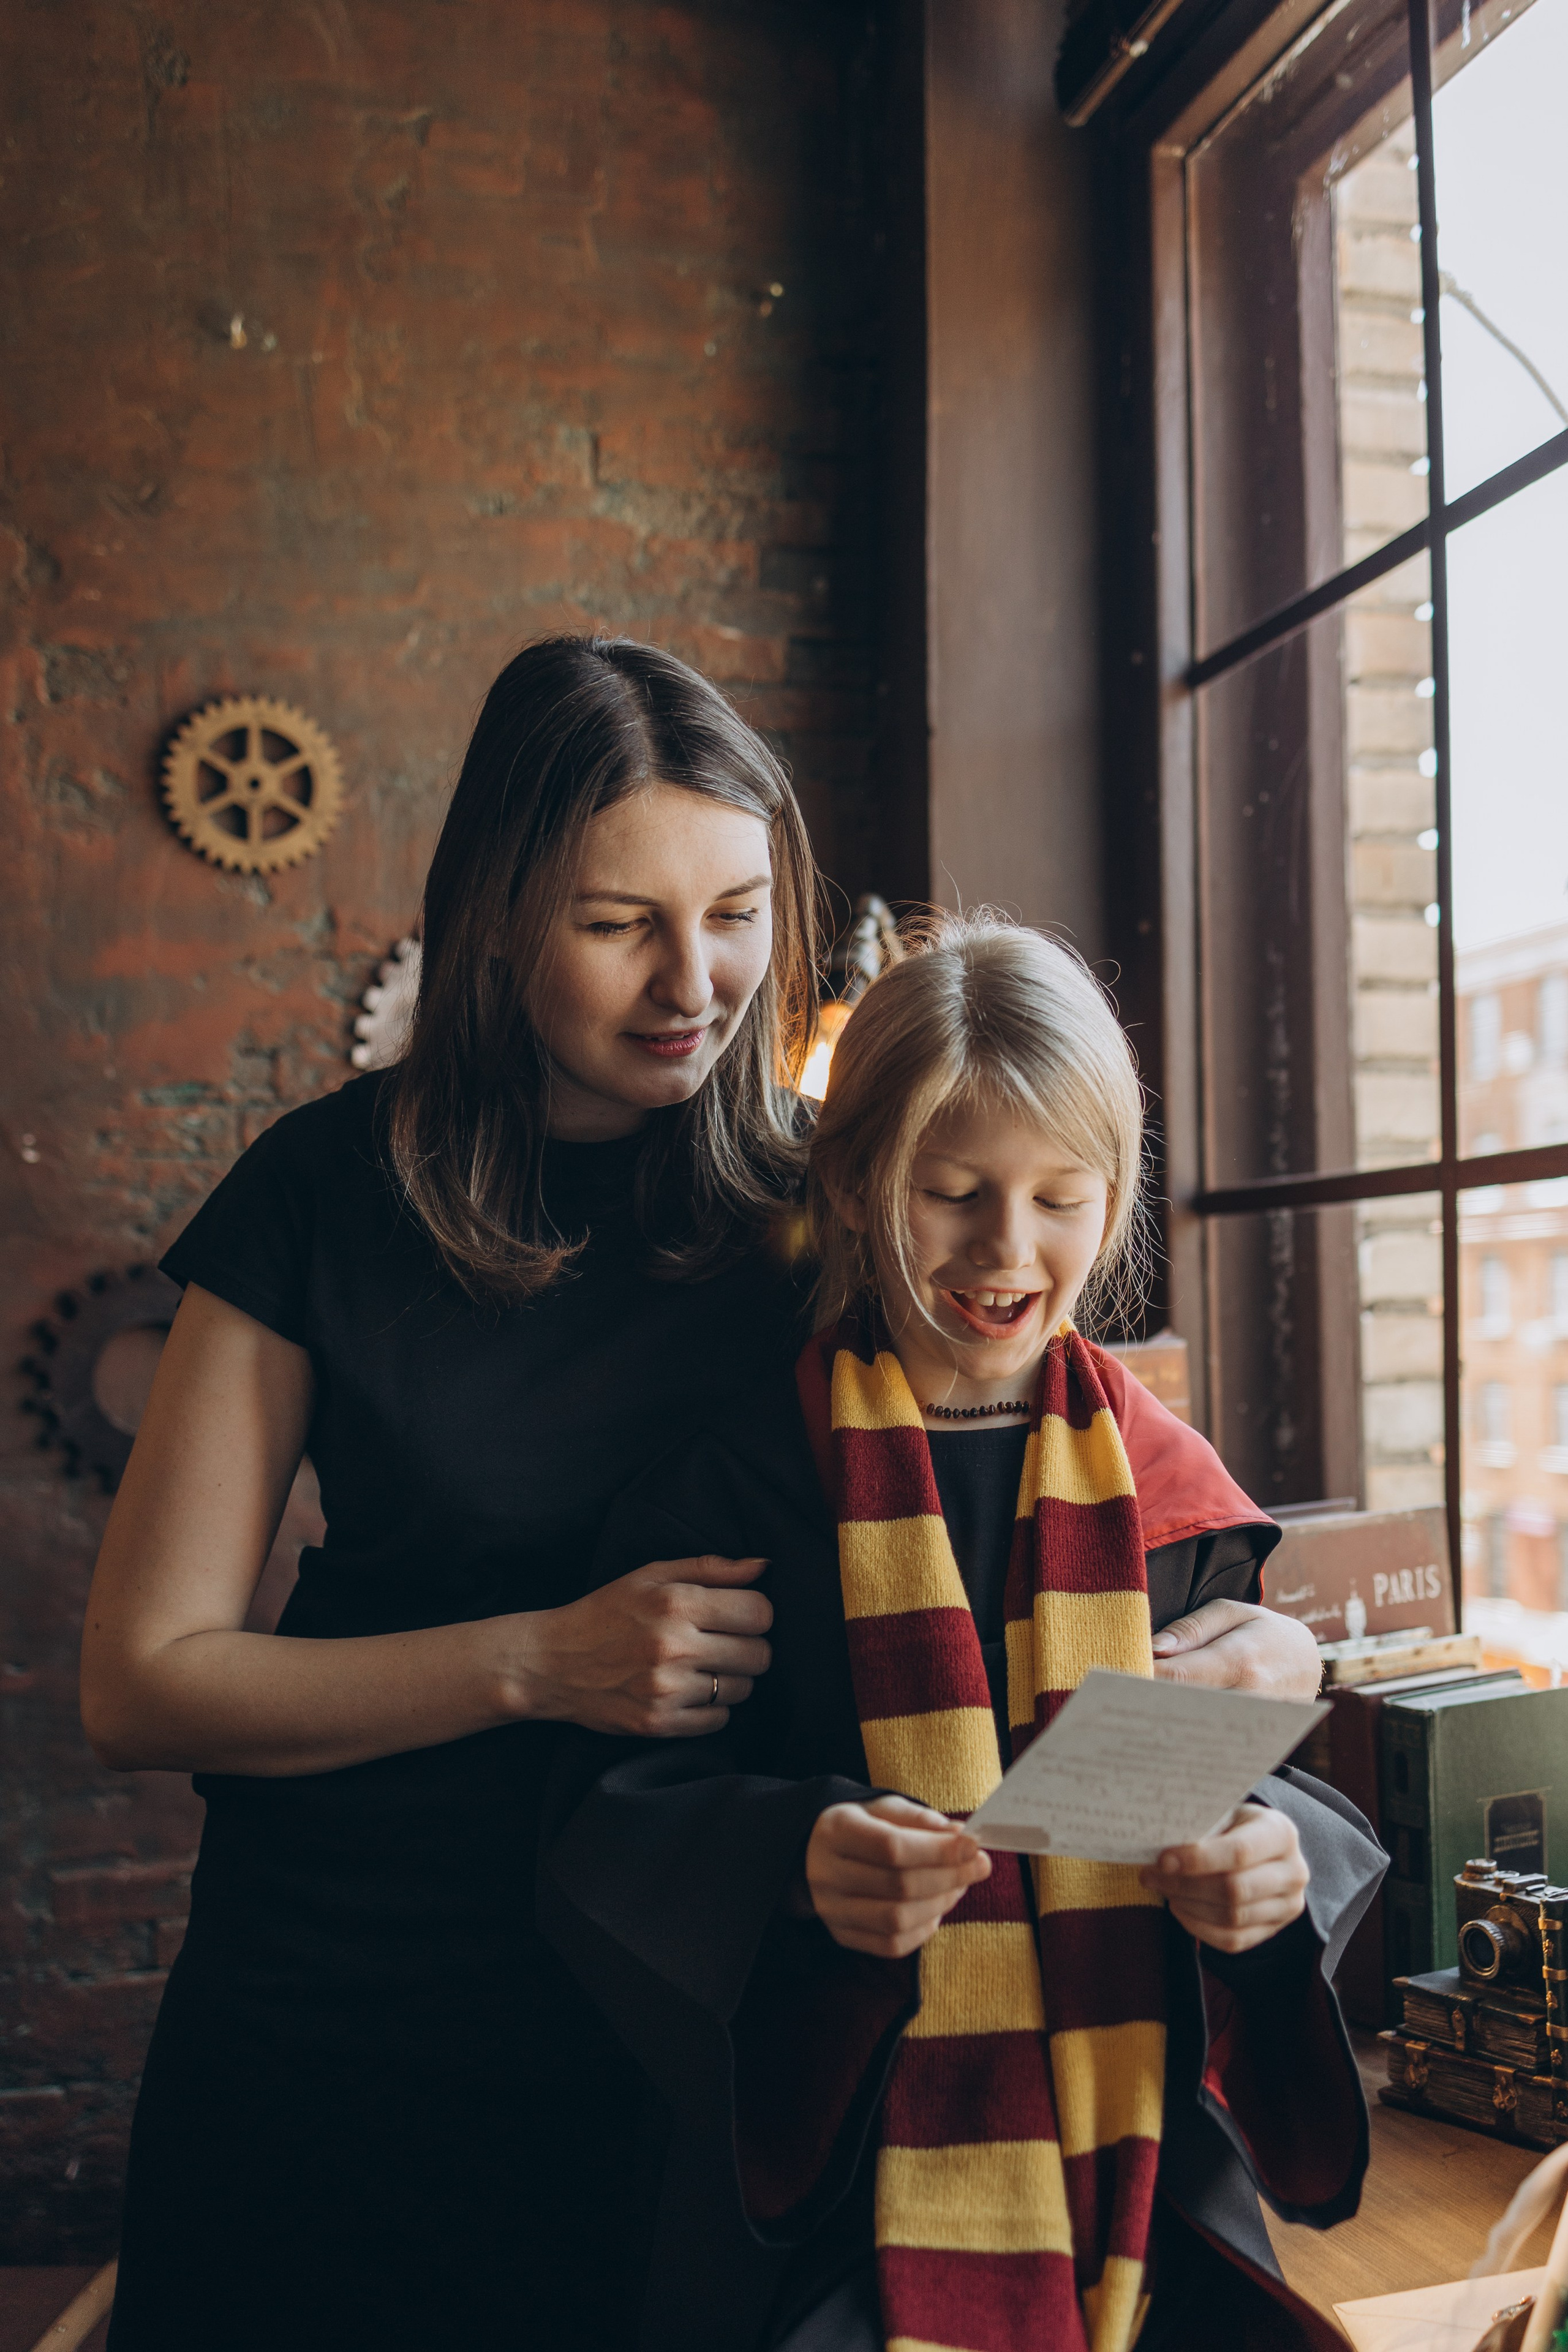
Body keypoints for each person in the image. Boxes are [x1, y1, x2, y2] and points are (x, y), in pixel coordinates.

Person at [83, 636, 1321, 2348]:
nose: (696, 981)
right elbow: (141, 1682)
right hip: (352, 2004)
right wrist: (539, 1660)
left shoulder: (842, 1199)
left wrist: (1268, 1652)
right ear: (498, 918)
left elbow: (1072, 1486)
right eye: (619, 924)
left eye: (737, 912)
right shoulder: (320, 1194)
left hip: (717, 2024)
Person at [540, 914, 1384, 2352]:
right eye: (950, 1192)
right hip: (840, 2185)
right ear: (854, 1181)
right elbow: (601, 1824)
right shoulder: (732, 1489)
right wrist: (795, 1863)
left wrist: (1264, 1882)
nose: (1006, 1247)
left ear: (1114, 1199)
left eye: (1061, 1197)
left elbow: (1250, 1798)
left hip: (1134, 2174)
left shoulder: (1167, 1494)